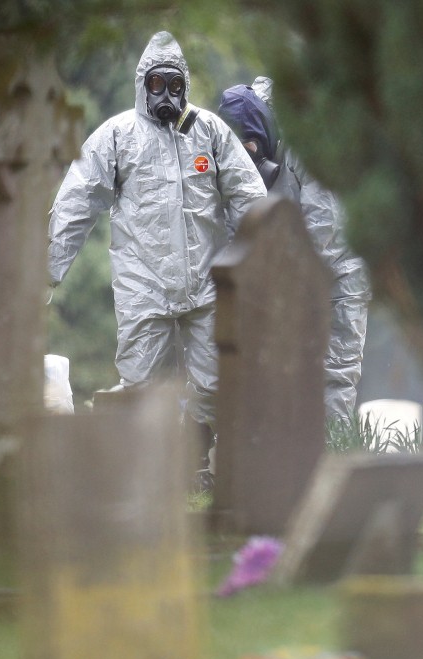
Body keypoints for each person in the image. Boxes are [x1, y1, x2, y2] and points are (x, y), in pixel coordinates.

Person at [48, 32, 266, 480]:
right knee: (144, 387)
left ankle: (205, 463)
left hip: (206, 286)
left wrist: (264, 263)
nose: (166, 94)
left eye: (174, 84)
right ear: (141, 84)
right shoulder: (117, 137)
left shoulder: (208, 132)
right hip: (143, 289)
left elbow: (250, 199)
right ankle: (150, 477)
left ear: (185, 85)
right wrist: (44, 274)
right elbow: (75, 203)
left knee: (214, 384)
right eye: (156, 84)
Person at [219, 76, 371, 423]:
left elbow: (324, 225)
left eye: (252, 148)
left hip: (338, 276)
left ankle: (330, 459)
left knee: (333, 375)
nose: (249, 158)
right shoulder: (235, 160)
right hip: (287, 279)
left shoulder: (308, 142)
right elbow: (235, 222)